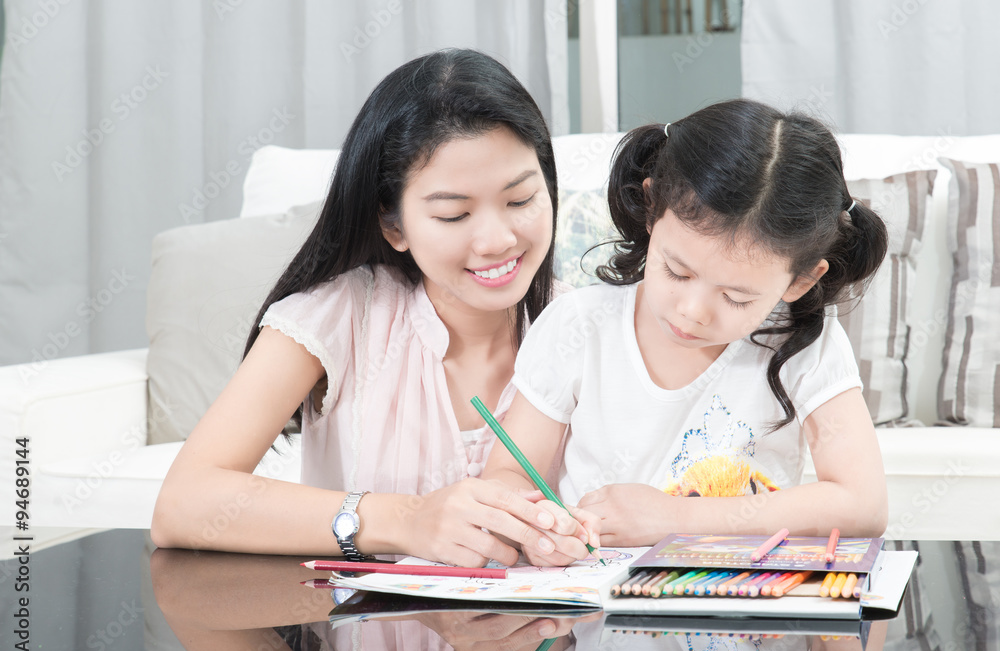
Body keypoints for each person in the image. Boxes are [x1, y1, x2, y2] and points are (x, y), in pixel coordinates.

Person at [151, 48, 595, 568]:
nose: (497, 240)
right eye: (454, 214)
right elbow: (182, 505)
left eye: (520, 200)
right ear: (394, 226)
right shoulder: (339, 317)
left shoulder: (584, 328)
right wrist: (405, 522)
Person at [482, 99, 890, 564]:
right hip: (595, 617)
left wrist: (673, 518)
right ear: (652, 207)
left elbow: (864, 504)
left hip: (742, 613)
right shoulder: (578, 328)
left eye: (736, 298)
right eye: (676, 271)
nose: (693, 312)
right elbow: (509, 475)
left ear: (801, 280)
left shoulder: (803, 344)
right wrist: (539, 526)